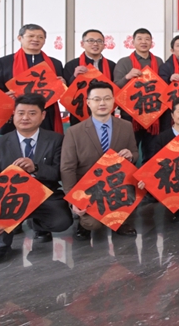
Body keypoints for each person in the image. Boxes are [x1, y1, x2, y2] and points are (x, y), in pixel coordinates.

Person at [0, 94, 73, 265]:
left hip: (44, 195)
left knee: (62, 221)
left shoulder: (56, 140)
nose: (25, 117)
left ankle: (38, 224)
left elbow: (59, 173)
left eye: (32, 113)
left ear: (43, 115)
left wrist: (36, 168)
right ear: (14, 114)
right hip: (10, 198)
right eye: (20, 113)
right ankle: (1, 247)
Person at [61, 81, 138, 239]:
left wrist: (130, 155)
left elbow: (135, 153)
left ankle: (120, 222)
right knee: (93, 224)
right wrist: (73, 200)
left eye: (107, 98)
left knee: (125, 211)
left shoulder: (126, 126)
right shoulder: (74, 132)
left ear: (113, 101)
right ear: (88, 103)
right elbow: (67, 168)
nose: (102, 103)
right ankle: (83, 222)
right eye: (97, 99)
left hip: (117, 186)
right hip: (90, 190)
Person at [0, 24, 65, 134]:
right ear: (20, 38)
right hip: (16, 114)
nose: (36, 39)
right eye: (31, 36)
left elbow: (61, 92)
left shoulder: (55, 63)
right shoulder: (4, 62)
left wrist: (63, 84)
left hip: (46, 114)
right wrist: (4, 96)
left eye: (40, 37)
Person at [113, 28, 163, 144]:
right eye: (139, 39)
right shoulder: (124, 62)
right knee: (130, 148)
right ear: (133, 42)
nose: (143, 42)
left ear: (151, 42)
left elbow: (163, 86)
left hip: (153, 113)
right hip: (130, 114)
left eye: (147, 39)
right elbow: (115, 87)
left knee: (152, 150)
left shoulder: (158, 61)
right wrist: (127, 77)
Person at [63, 29, 117, 125]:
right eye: (91, 41)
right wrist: (74, 76)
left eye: (99, 41)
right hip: (80, 112)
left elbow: (116, 90)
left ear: (104, 45)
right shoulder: (71, 65)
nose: (95, 44)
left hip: (105, 112)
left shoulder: (111, 65)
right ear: (82, 44)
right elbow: (66, 93)